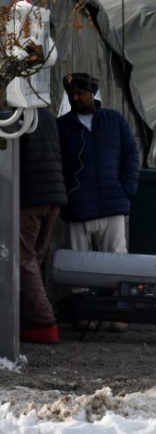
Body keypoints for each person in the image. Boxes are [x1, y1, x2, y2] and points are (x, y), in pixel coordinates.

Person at [57, 72, 140, 332]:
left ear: (92, 93)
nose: (75, 97)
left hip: (112, 205)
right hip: (78, 208)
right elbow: (57, 164)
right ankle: (85, 314)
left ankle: (118, 314)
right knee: (78, 265)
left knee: (117, 260)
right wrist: (65, 197)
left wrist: (125, 189)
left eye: (80, 93)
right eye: (72, 94)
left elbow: (131, 155)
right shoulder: (62, 127)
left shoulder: (114, 121)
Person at [19, 107, 67, 343]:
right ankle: (31, 318)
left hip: (30, 197)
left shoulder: (14, 113)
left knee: (22, 259)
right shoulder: (46, 114)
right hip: (53, 195)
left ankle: (43, 321)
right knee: (34, 259)